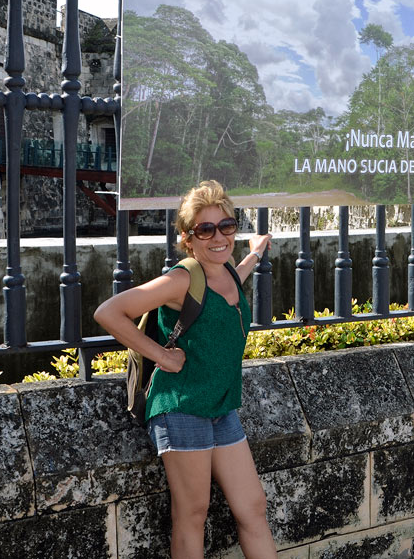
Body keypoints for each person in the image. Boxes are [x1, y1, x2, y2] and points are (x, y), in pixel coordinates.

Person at [94, 180, 277, 559]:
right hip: (181, 407)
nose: (218, 236)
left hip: (221, 406)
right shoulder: (181, 279)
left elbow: (234, 280)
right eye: (205, 229)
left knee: (253, 506)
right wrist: (161, 355)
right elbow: (109, 312)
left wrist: (255, 254)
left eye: (226, 226)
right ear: (187, 238)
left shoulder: (226, 271)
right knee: (192, 514)